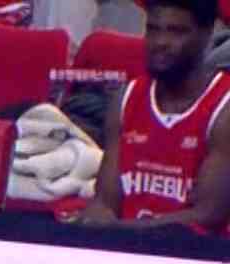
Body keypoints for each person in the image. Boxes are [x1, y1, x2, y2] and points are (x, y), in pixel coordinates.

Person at [77, 0, 230, 232]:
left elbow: (208, 215)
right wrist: (94, 219)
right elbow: (105, 201)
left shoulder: (223, 107)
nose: (160, 42)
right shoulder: (126, 98)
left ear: (207, 34)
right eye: (153, 29)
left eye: (176, 32)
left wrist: (120, 229)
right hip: (122, 246)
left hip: (192, 251)